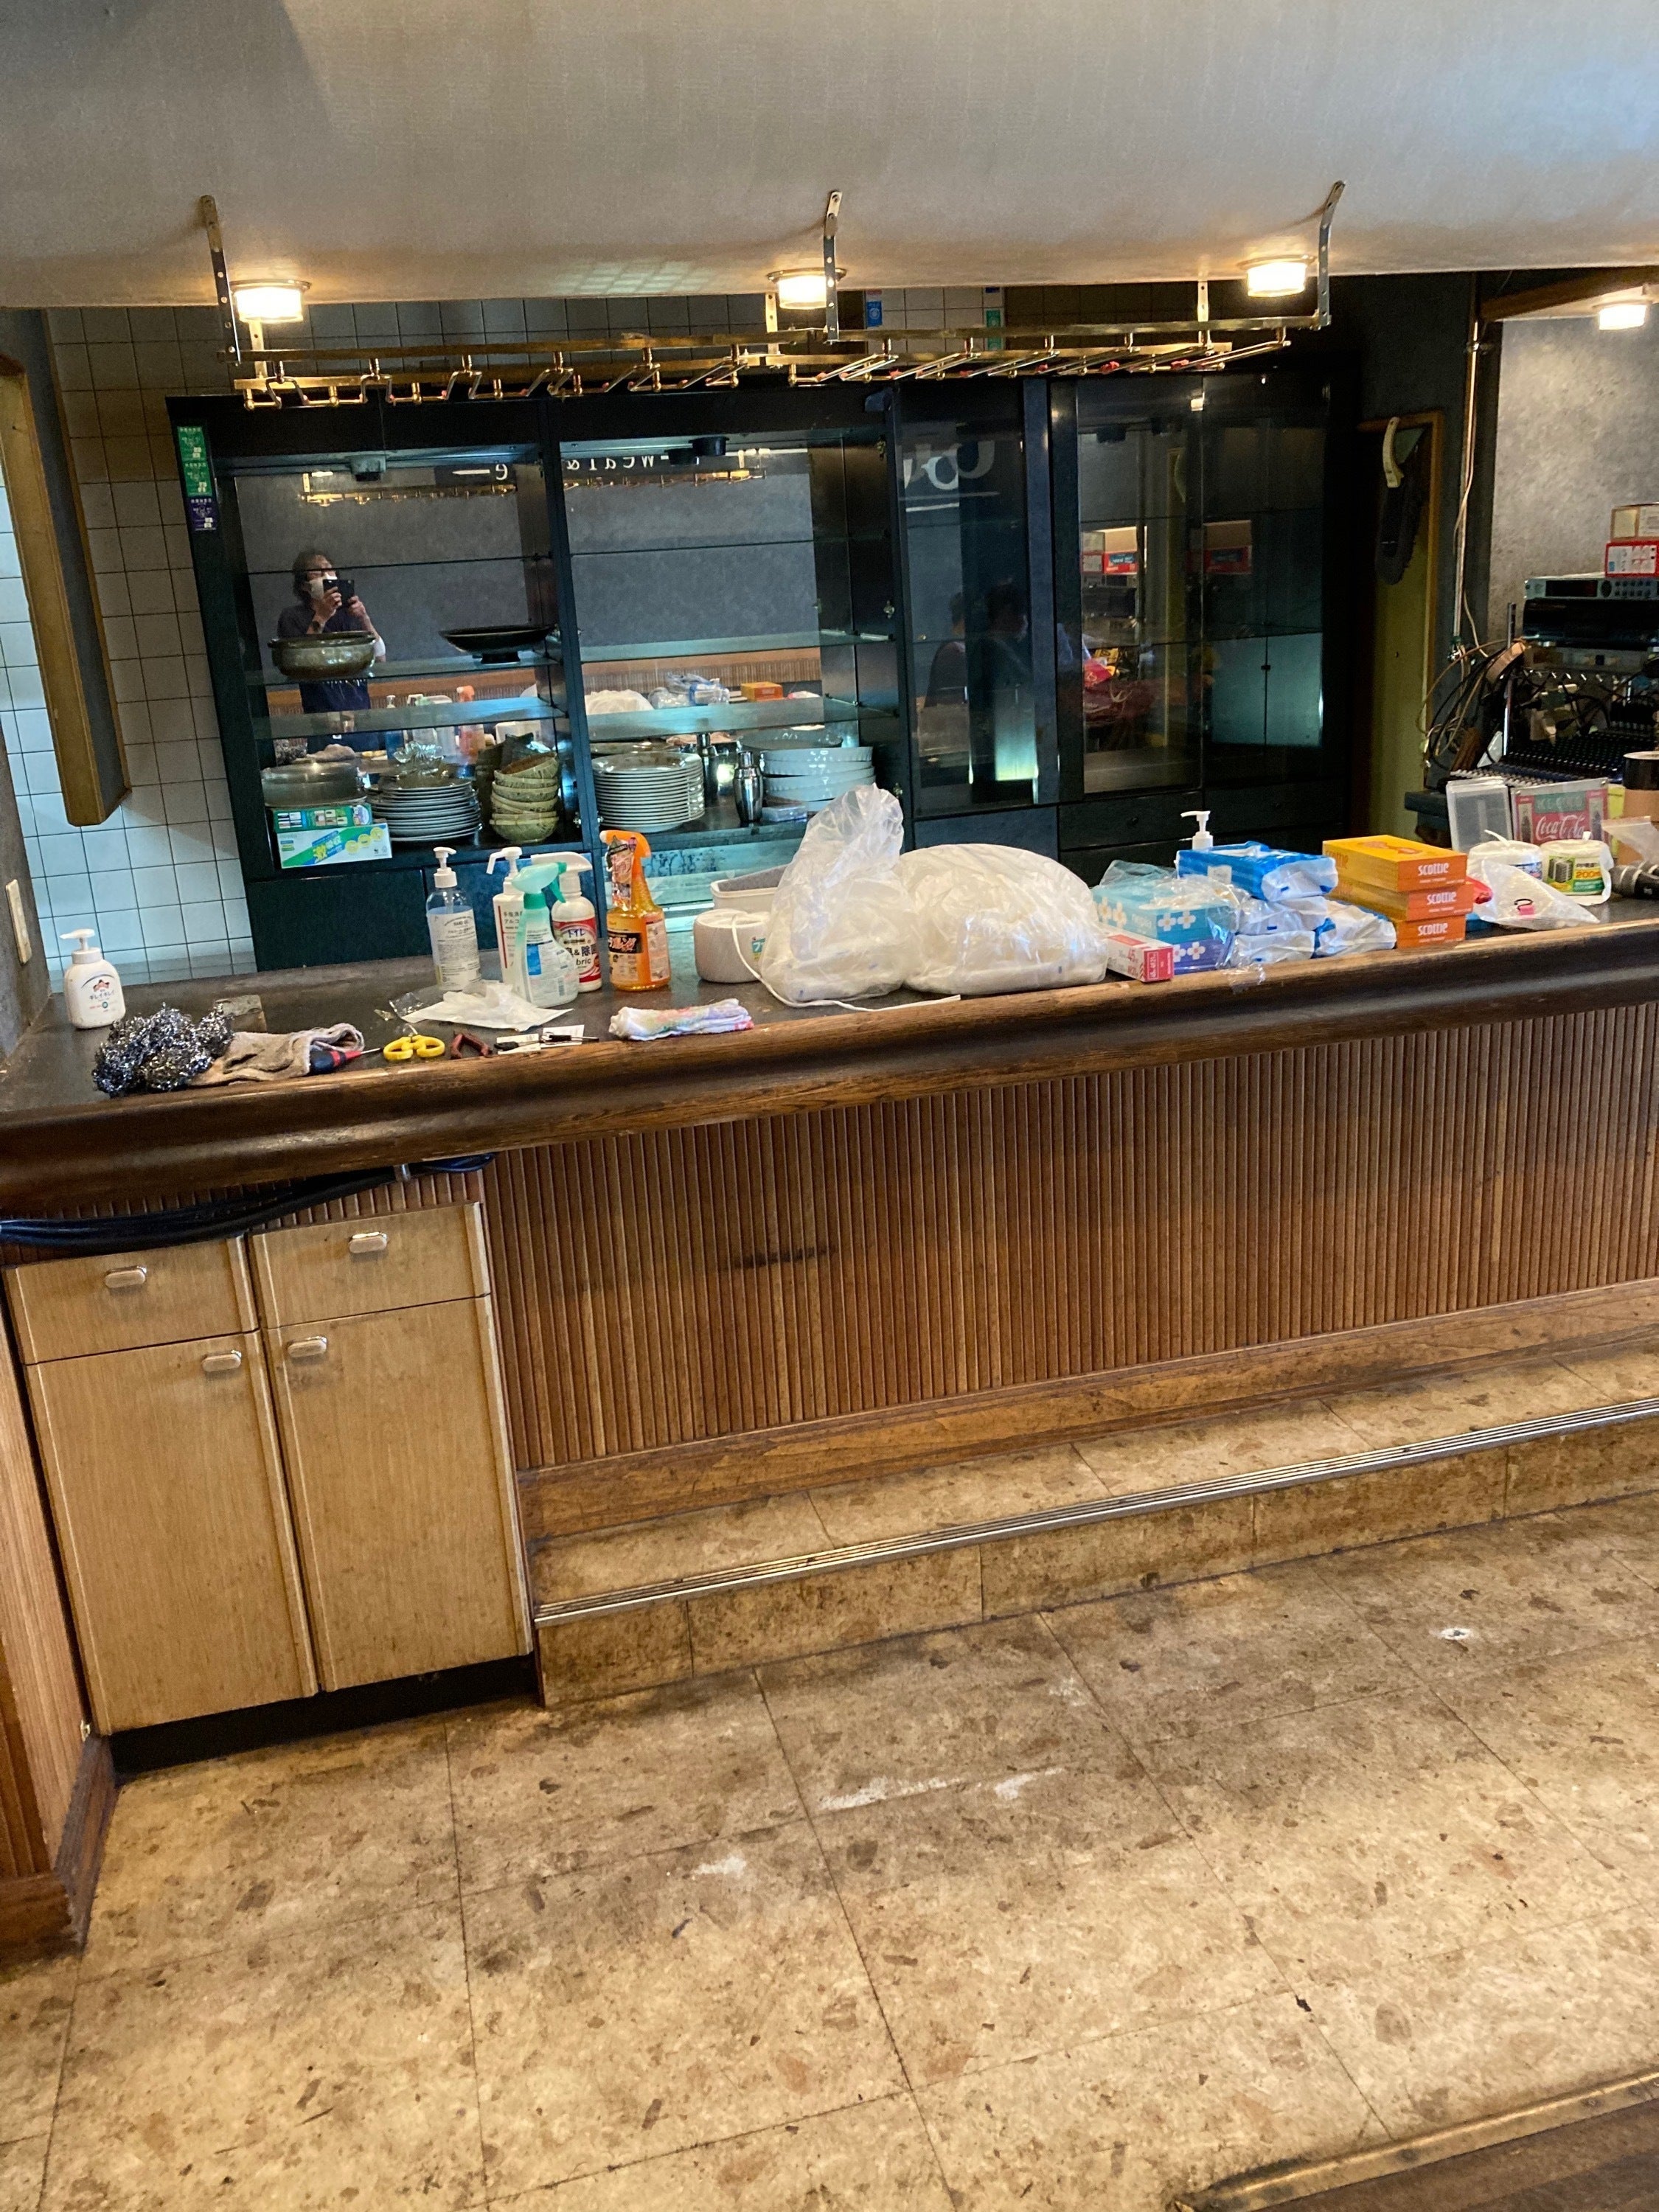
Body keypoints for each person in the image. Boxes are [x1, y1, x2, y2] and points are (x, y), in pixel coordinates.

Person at [276, 550, 383, 717]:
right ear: (304, 585)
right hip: (320, 712)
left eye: (329, 569)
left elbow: (380, 658)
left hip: (360, 710)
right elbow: (299, 661)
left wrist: (364, 618)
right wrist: (321, 616)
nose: (326, 575)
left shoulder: (349, 613)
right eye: (317, 572)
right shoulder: (292, 616)